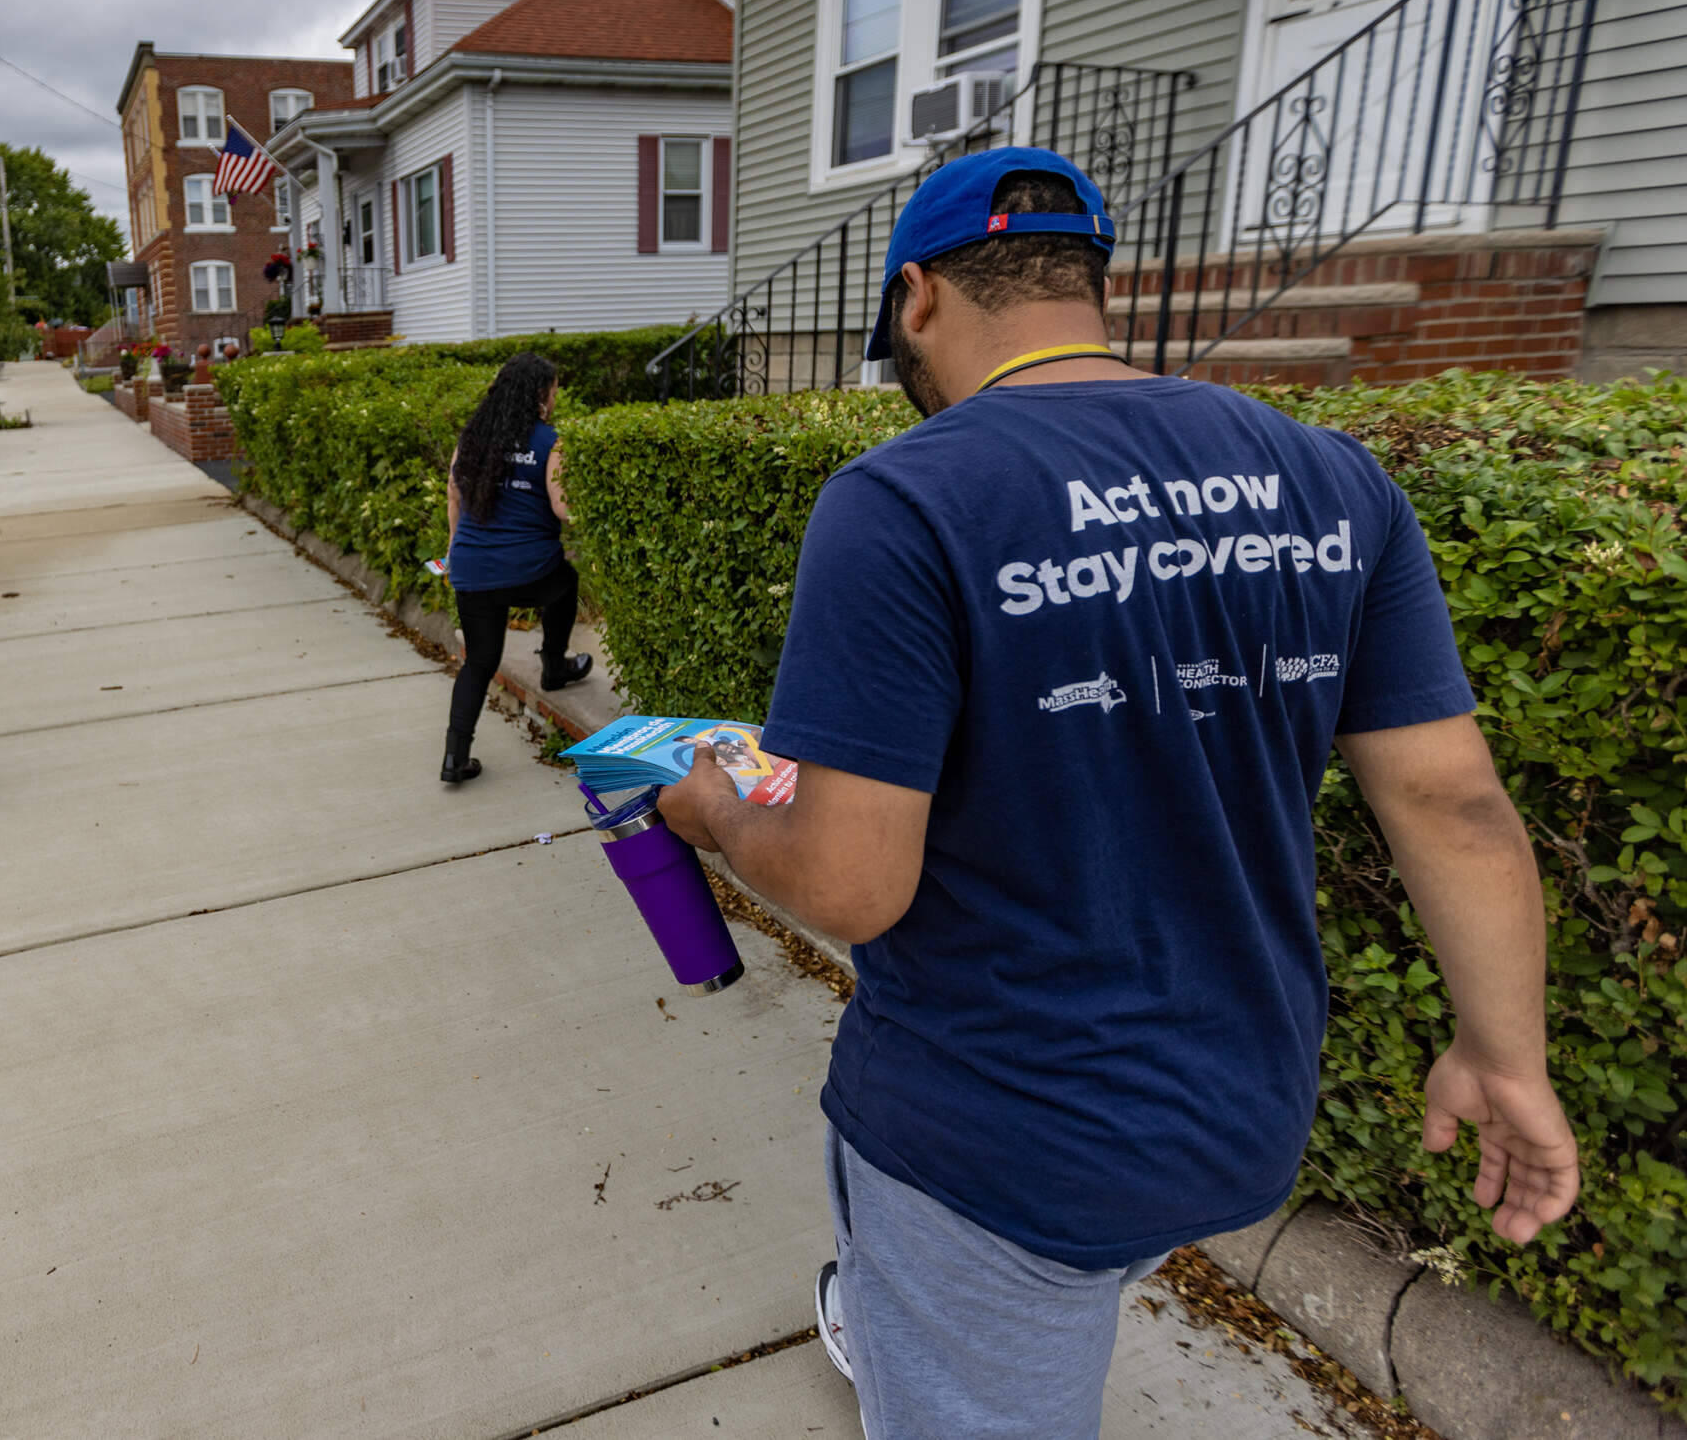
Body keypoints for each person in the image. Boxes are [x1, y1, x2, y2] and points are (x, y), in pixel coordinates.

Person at [656, 148, 1578, 1439]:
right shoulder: (1331, 479)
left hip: (996, 1141)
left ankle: (926, 1336)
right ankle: (905, 1326)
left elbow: (852, 884)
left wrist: (713, 812)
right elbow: (1454, 805)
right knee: (1023, 1312)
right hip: (1238, 1113)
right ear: (1091, 285)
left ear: (918, 298)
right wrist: (1505, 1055)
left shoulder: (903, 502)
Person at [438, 352, 593, 784]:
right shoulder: (549, 441)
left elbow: (453, 496)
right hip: (530, 572)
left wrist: (454, 553)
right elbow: (563, 509)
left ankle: (454, 758)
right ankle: (554, 665)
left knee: (480, 662)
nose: (556, 397)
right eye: (555, 390)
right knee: (565, 583)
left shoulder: (472, 438)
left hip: (473, 572)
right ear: (541, 396)